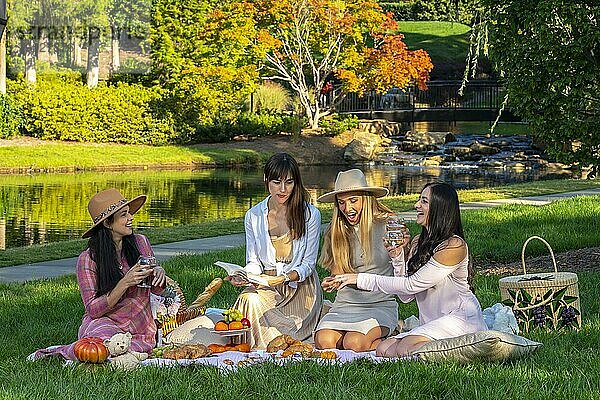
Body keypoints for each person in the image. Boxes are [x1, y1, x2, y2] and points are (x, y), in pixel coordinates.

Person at [330, 182, 488, 357]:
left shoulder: (454, 246)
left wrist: (358, 278)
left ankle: (468, 348)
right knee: (383, 349)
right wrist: (397, 257)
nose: (416, 205)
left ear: (440, 208)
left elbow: (411, 285)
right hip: (433, 323)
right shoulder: (418, 242)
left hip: (460, 319)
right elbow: (406, 297)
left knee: (404, 348)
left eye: (424, 201)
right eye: (419, 200)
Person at [31, 188, 166, 360]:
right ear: (108, 223)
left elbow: (155, 291)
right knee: (102, 347)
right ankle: (59, 352)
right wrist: (125, 282)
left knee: (125, 349)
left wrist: (159, 275)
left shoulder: (140, 242)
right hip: (105, 323)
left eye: (129, 213)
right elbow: (93, 310)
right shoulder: (88, 259)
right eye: (124, 215)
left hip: (140, 325)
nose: (131, 218)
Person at [226, 153, 322, 349]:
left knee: (292, 328)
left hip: (300, 287)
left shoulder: (310, 214)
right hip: (267, 285)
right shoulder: (253, 215)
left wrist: (284, 278)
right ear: (266, 180)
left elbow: (309, 265)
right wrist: (244, 276)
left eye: (289, 182)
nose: (283, 189)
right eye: (277, 182)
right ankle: (260, 347)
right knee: (247, 299)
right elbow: (253, 261)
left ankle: (274, 340)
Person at [315, 169, 398, 352]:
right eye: (342, 202)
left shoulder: (389, 224)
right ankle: (371, 339)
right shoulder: (336, 230)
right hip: (346, 304)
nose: (347, 208)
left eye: (353, 201)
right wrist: (332, 282)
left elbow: (402, 269)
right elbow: (338, 274)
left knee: (353, 343)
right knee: (323, 341)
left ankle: (394, 338)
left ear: (366, 199)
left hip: (379, 304)